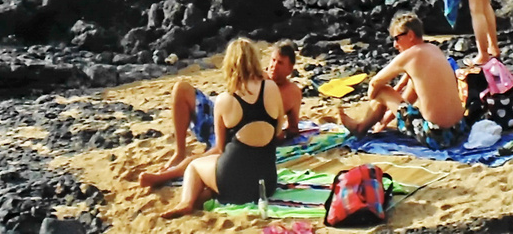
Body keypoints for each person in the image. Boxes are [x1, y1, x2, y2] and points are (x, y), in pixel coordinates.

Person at [138, 40, 304, 188]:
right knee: (181, 89)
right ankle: (179, 152)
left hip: (235, 133)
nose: (274, 65)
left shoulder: (291, 92)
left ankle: (163, 176)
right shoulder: (258, 77)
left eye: (280, 63)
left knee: (205, 157)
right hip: (224, 115)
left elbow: (292, 128)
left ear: (290, 69)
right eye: (273, 60)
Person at [156, 38, 285, 217]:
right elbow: (278, 130)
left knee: (195, 166)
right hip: (266, 183)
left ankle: (186, 203)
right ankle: (205, 194)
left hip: (233, 182)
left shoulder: (225, 99)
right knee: (223, 173)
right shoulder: (271, 88)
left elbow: (221, 147)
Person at [335, 12, 466, 148]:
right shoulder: (434, 49)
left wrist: (374, 98)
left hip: (437, 136)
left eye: (397, 38)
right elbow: (409, 95)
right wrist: (385, 119)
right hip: (458, 130)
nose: (395, 45)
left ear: (410, 35)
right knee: (403, 89)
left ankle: (360, 128)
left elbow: (375, 83)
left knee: (382, 91)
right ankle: (378, 123)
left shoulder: (411, 55)